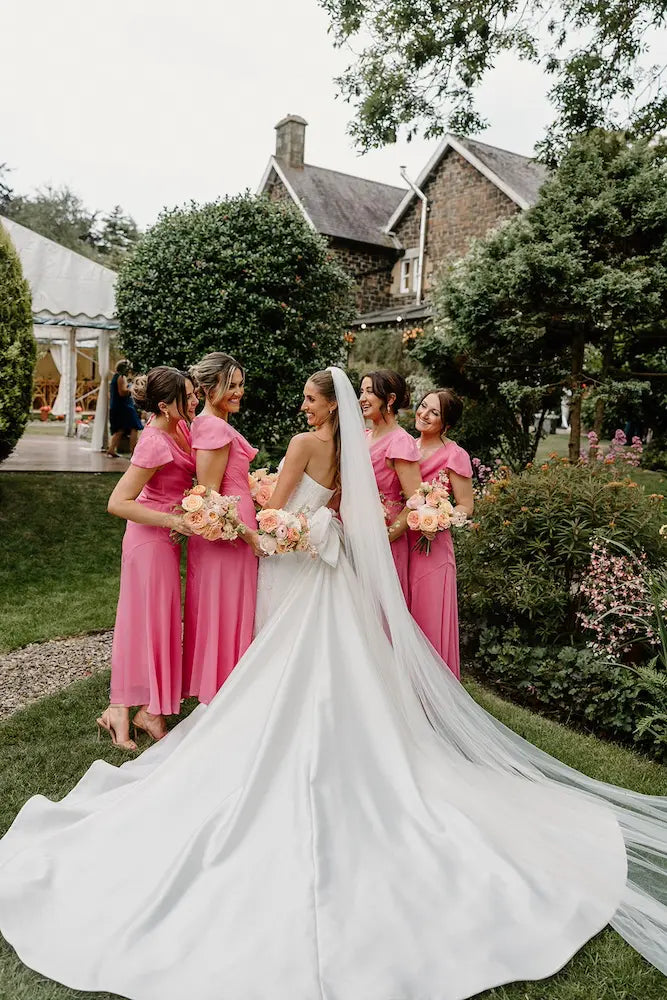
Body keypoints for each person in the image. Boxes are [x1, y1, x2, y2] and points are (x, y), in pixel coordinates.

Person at [2, 368, 667, 1000]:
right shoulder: (350, 448)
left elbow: (276, 507)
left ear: (326, 404)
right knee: (341, 660)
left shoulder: (302, 444)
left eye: (309, 399)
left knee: (278, 660)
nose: (303, 406)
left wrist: (265, 510)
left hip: (294, 561)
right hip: (332, 561)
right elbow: (346, 509)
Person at [99, 367, 198, 749]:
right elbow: (117, 502)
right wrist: (172, 519)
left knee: (160, 625)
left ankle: (145, 709)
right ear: (164, 405)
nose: (195, 400)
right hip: (148, 542)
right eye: (188, 396)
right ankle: (125, 710)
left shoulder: (182, 427)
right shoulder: (154, 441)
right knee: (141, 625)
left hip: (166, 542)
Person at [182, 352, 264, 703]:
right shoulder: (213, 427)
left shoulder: (213, 423)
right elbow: (210, 496)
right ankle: (223, 693)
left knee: (229, 610)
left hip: (232, 533)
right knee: (225, 610)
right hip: (227, 538)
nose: (238, 392)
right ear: (208, 387)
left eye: (241, 385)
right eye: (230, 385)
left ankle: (225, 690)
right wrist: (249, 534)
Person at [408, 388, 474, 678]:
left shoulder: (454, 455)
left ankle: (432, 686)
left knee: (428, 617)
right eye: (423, 406)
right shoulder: (406, 447)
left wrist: (439, 517)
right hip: (401, 541)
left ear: (446, 424)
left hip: (432, 548)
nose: (424, 414)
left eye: (434, 412)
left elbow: (466, 505)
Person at [360, 369, 421, 599]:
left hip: (387, 540)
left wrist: (385, 538)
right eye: (361, 391)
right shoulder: (362, 436)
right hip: (357, 535)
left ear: (391, 398)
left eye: (369, 391)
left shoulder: (400, 442)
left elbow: (415, 501)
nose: (362, 398)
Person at [107, 359, 143, 457]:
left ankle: (111, 449)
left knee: (120, 429)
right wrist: (133, 388)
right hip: (124, 407)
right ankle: (133, 451)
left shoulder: (115, 377)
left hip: (118, 406)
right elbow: (122, 392)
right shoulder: (121, 377)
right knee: (135, 427)